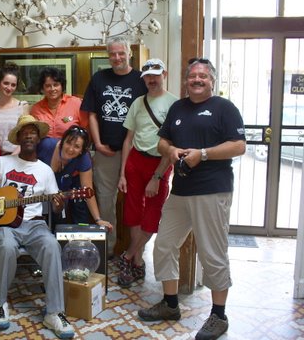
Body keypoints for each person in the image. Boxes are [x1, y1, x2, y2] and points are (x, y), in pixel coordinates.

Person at [137, 58, 246, 340]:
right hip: (180, 191)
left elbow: (239, 146)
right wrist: (171, 151)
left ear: (212, 81)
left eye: (203, 76)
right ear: (185, 81)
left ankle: (219, 316)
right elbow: (162, 142)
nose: (197, 80)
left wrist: (203, 154)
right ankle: (170, 305)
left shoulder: (225, 108)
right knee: (163, 246)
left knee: (212, 253)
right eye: (192, 76)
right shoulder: (178, 108)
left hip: (212, 190)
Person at [0, 115, 75, 338]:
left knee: (52, 246)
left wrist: (58, 202)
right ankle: (0, 304)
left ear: (39, 138)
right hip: (6, 226)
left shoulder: (45, 171)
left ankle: (54, 312)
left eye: (33, 131)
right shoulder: (3, 162)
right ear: (19, 138)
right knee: (5, 246)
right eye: (25, 132)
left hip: (35, 226)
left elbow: (54, 209)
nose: (29, 135)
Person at [80, 36, 147, 258]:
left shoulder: (141, 80)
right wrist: (97, 144)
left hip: (136, 152)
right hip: (106, 151)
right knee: (106, 202)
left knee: (136, 203)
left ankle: (136, 254)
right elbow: (91, 114)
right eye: (112, 54)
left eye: (121, 53)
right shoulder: (99, 78)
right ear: (107, 55)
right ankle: (107, 252)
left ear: (130, 53)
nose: (117, 57)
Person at [117, 58, 178, 288]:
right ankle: (138, 260)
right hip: (135, 161)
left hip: (160, 165)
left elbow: (172, 144)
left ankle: (129, 255)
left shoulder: (174, 105)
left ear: (165, 74)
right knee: (133, 212)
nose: (152, 80)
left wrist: (157, 176)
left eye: (156, 74)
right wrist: (122, 173)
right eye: (148, 76)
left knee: (152, 216)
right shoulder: (138, 103)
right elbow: (128, 139)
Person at [37, 125, 113, 230]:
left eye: (77, 146)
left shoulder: (83, 158)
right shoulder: (46, 145)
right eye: (68, 142)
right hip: (33, 189)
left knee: (59, 221)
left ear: (82, 151)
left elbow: (88, 190)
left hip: (59, 192)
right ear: (62, 141)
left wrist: (98, 219)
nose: (71, 149)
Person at [30, 67, 88, 138]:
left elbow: (86, 131)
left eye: (56, 85)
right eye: (48, 86)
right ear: (42, 89)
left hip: (70, 148)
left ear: (62, 86)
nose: (52, 89)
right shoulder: (36, 109)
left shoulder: (76, 104)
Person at [0, 62, 30, 155]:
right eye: (6, 83)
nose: (9, 88)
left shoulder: (22, 106)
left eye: (13, 85)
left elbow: (27, 136)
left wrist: (13, 156)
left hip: (18, 156)